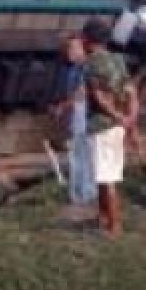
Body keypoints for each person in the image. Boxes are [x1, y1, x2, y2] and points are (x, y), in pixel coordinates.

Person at [80, 16, 139, 237]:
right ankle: (103, 217)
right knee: (106, 174)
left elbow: (98, 97)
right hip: (118, 126)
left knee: (106, 178)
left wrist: (117, 116)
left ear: (87, 39)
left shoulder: (92, 63)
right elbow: (131, 90)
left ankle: (114, 226)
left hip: (103, 124)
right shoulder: (117, 59)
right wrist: (130, 118)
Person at [48, 34, 95, 211]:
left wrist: (62, 106)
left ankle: (82, 194)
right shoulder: (69, 68)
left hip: (81, 112)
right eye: (67, 48)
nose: (69, 52)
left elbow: (81, 93)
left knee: (80, 153)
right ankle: (80, 191)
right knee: (76, 152)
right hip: (74, 113)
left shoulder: (85, 67)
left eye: (73, 48)